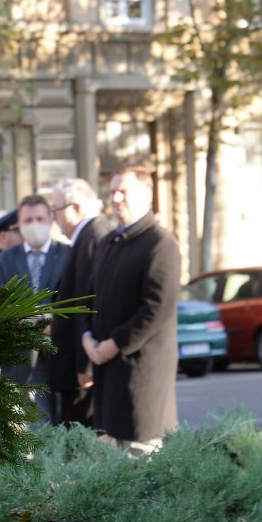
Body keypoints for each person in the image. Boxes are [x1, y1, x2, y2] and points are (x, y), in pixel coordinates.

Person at [84, 166, 180, 455]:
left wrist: (115, 344)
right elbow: (91, 297)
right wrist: (87, 337)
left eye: (122, 191)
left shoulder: (160, 243)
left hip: (141, 372)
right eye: (112, 191)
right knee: (112, 465)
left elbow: (157, 306)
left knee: (141, 461)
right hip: (105, 367)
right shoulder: (109, 242)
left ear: (146, 196)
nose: (115, 197)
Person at [0, 195, 71, 420]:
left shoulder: (70, 253)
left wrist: (55, 326)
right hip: (26, 355)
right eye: (28, 220)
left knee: (70, 424)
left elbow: (80, 299)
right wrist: (40, 323)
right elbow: (3, 306)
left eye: (39, 218)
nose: (34, 224)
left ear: (50, 220)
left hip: (63, 351)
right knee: (40, 425)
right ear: (20, 224)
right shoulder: (5, 260)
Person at [46, 180, 107, 429]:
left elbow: (90, 303)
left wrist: (86, 365)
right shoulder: (86, 236)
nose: (54, 217)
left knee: (84, 436)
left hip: (83, 369)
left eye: (56, 209)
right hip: (74, 365)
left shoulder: (95, 236)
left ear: (77, 207)